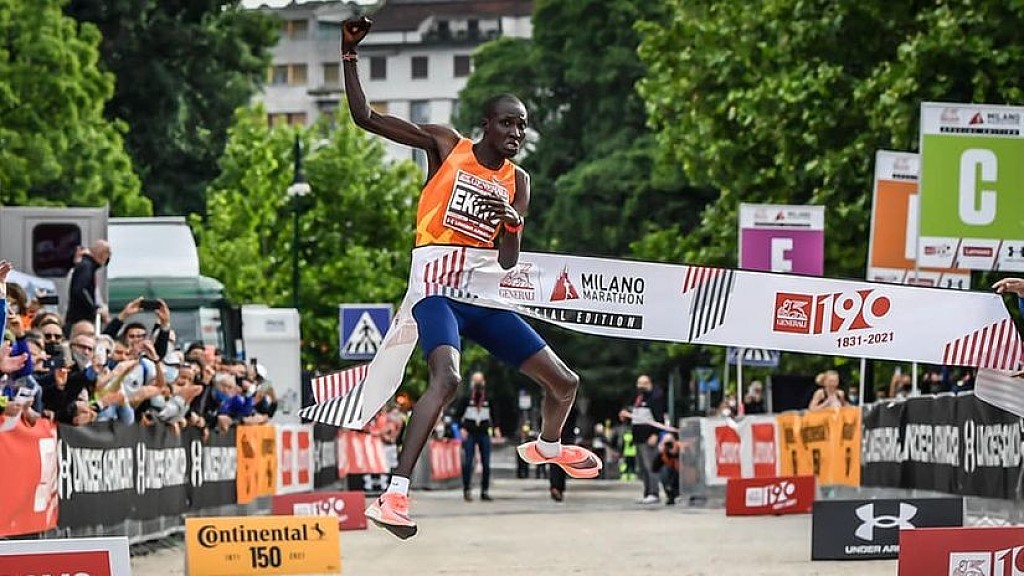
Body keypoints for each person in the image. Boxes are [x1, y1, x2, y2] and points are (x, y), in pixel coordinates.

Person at [342, 16, 600, 539]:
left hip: (483, 295)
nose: (516, 134)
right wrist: (349, 54)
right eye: (507, 124)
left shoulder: (519, 181)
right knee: (449, 379)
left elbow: (507, 261)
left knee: (565, 383)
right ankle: (394, 495)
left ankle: (547, 446)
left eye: (522, 126)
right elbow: (365, 117)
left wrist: (511, 222)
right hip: (436, 291)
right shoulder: (447, 146)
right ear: (486, 125)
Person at [618, 375, 668, 504]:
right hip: (638, 437)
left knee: (650, 466)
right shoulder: (638, 398)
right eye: (639, 383)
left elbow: (659, 419)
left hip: (648, 436)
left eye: (644, 383)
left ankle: (654, 493)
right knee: (643, 468)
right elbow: (635, 416)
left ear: (649, 384)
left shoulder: (655, 398)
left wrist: (655, 434)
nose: (641, 386)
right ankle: (647, 492)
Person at [453, 371, 500, 502]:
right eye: (476, 381)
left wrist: (496, 428)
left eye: (480, 381)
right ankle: (467, 489)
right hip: (470, 432)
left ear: (483, 382)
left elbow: (495, 414)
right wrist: (461, 428)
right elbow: (456, 416)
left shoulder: (488, 398)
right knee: (468, 462)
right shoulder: (466, 398)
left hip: (483, 432)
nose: (478, 384)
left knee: (486, 463)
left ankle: (484, 491)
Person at [65, 240, 111, 328]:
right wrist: (94, 308)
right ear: (103, 254)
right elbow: (80, 290)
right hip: (79, 320)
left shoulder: (85, 266)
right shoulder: (86, 267)